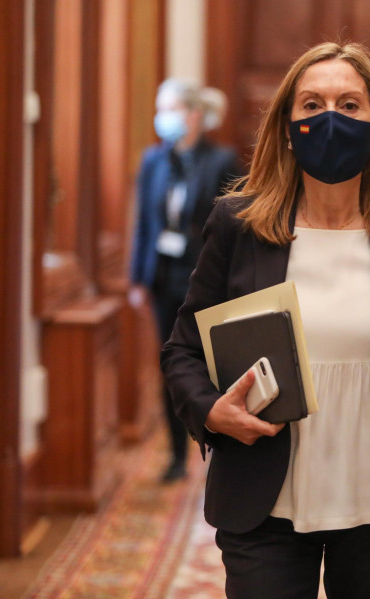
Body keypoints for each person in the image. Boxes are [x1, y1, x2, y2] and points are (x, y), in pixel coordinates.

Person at [161, 42, 370, 599]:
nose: (330, 118)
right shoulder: (238, 226)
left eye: (349, 104)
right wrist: (210, 412)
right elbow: (183, 351)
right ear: (288, 129)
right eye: (311, 105)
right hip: (263, 502)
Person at [130, 78, 241, 483]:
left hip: (206, 279)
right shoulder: (152, 161)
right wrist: (137, 279)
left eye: (170, 108)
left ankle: (219, 443)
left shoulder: (221, 160)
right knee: (171, 363)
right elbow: (144, 222)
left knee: (213, 365)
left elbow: (234, 224)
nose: (163, 118)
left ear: (193, 115)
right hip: (163, 277)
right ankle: (176, 456)